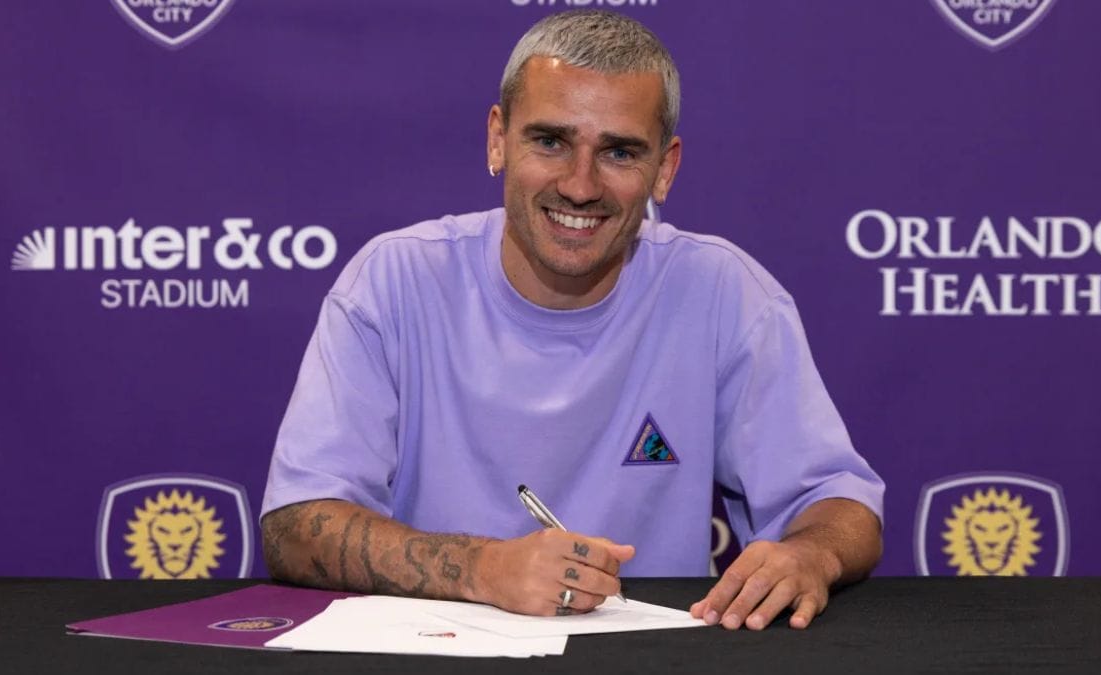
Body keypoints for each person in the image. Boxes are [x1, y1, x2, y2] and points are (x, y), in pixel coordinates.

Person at [260, 10, 883, 631]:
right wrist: (483, 569)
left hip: (658, 657)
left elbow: (840, 504)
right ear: (498, 139)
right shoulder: (394, 281)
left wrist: (811, 554)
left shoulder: (723, 292)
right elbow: (295, 525)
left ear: (665, 169)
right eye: (551, 142)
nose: (580, 186)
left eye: (619, 152)